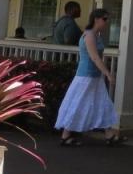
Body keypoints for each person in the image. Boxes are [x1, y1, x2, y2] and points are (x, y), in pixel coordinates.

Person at [54, 8, 126, 146]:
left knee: (102, 102)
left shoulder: (96, 35)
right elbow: (94, 57)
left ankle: (109, 134)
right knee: (78, 103)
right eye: (104, 19)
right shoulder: (89, 36)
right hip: (86, 76)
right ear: (96, 19)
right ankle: (65, 135)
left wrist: (103, 73)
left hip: (95, 76)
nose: (106, 22)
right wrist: (108, 73)